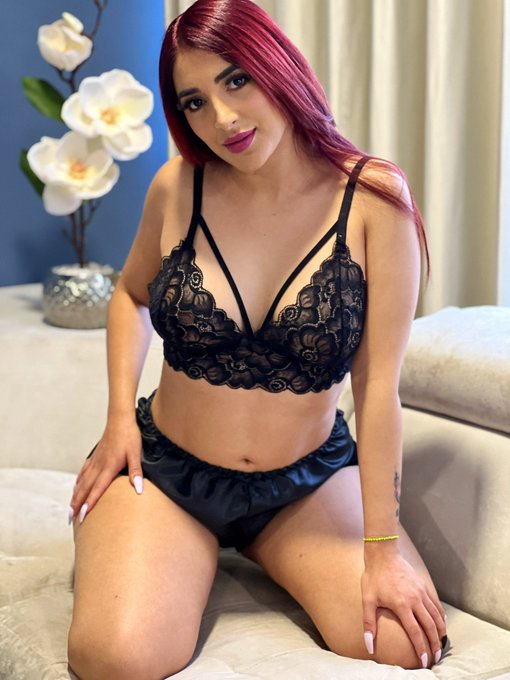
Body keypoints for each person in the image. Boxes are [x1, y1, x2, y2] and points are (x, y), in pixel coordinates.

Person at [67, 1, 448, 678]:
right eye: (194, 101)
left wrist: (382, 547)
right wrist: (119, 417)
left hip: (305, 485)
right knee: (115, 660)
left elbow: (378, 389)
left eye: (236, 80)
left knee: (403, 646)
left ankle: (261, 550)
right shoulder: (178, 186)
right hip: (168, 471)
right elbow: (131, 295)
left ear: (279, 66)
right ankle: (177, 548)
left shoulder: (373, 199)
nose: (223, 119)